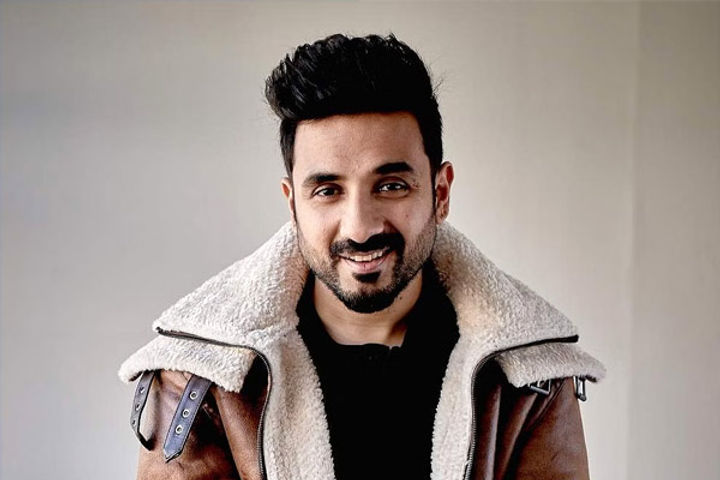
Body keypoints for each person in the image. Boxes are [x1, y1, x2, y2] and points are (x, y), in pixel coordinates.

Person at [119, 33, 604, 480]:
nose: (360, 227)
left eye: (391, 186)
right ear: (293, 203)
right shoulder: (202, 373)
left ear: (440, 193)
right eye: (328, 190)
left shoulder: (527, 373)